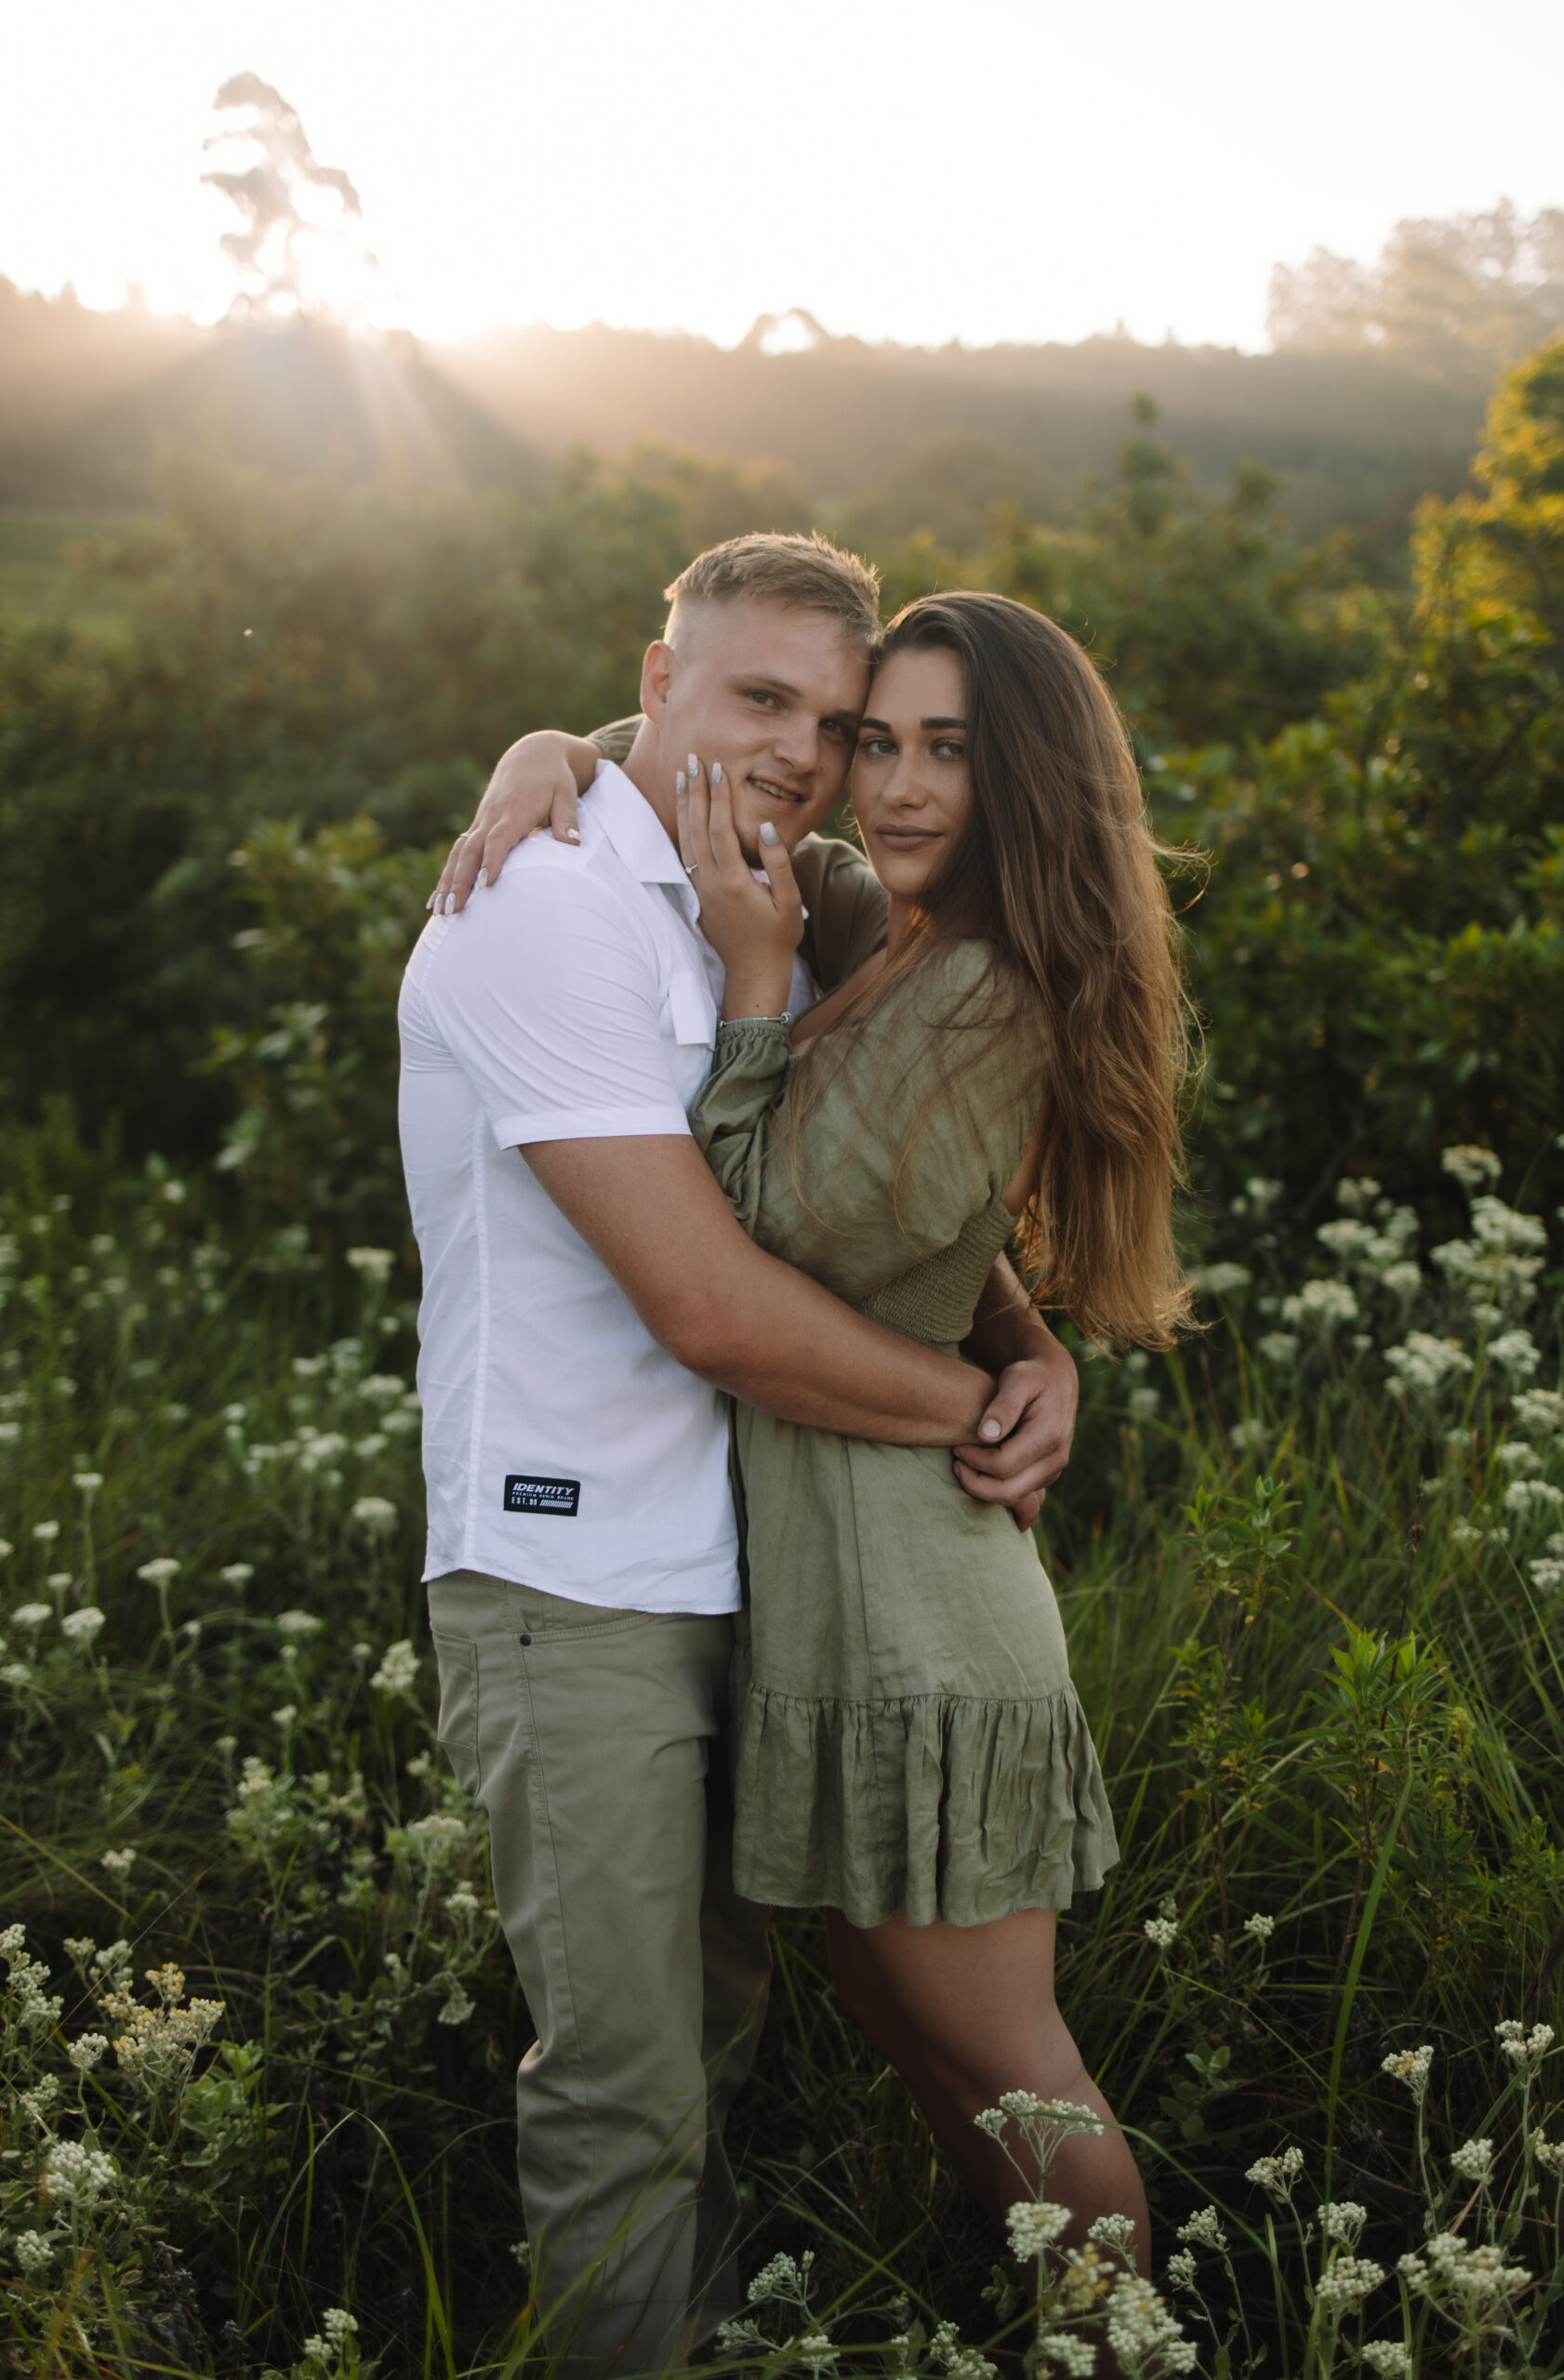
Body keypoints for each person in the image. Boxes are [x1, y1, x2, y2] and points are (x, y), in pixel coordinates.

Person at [438, 588, 1194, 2281]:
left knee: (1007, 2074)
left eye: (947, 751)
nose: (888, 785)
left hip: (920, 1614)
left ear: (1031, 781)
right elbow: (692, 758)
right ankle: (1048, 2325)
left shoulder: (973, 981)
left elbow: (757, 1240)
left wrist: (759, 974)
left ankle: (1126, 2341)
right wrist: (544, 752)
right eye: (880, 743)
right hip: (817, 1594)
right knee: (930, 2066)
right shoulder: (881, 916)